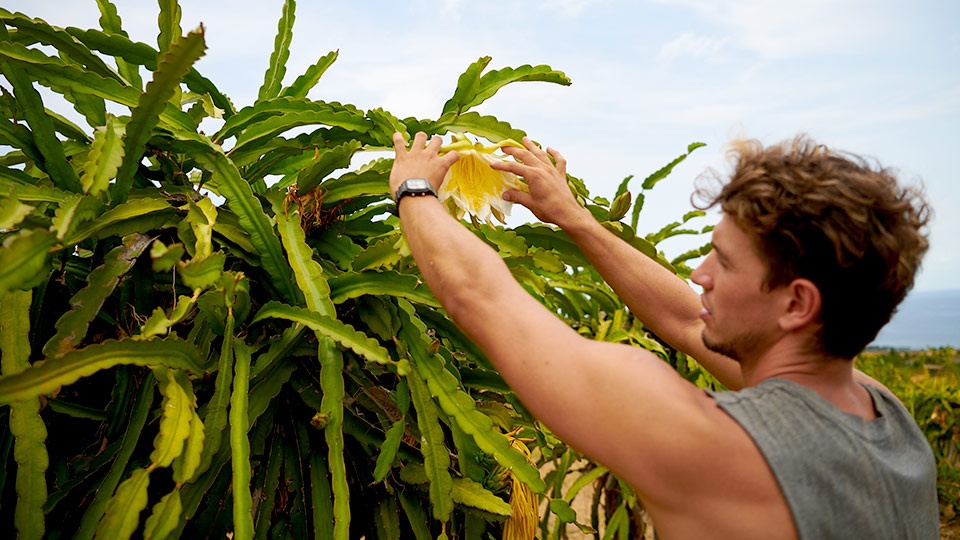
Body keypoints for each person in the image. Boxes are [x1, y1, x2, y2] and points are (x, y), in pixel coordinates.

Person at [388, 131, 939, 539]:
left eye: (723, 261)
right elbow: (682, 320)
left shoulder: (713, 446)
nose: (699, 275)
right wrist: (575, 220)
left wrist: (414, 190)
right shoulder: (888, 418)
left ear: (796, 303)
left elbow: (481, 300)